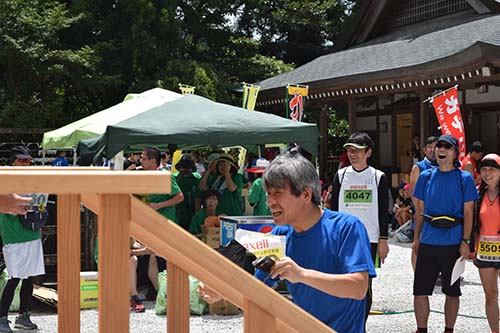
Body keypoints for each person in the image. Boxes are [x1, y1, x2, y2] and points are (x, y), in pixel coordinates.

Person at [198, 153, 376, 333]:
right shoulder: (280, 235)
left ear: (306, 194)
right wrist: (222, 291)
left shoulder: (346, 227)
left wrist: (301, 275)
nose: (270, 202)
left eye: (278, 193)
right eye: (268, 194)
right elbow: (257, 290)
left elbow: (358, 287)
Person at [412, 134, 479, 333]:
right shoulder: (426, 176)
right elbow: (420, 209)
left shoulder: (464, 178)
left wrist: (466, 241)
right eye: (438, 146)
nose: (441, 150)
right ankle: (421, 329)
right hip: (429, 240)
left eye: (446, 147)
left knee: (452, 291)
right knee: (420, 290)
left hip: (453, 241)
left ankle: (449, 330)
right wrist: (416, 238)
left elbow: (468, 212)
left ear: (455, 153)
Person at [329, 131, 389, 326]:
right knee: (342, 282)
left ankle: (360, 325)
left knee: (365, 285)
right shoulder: (340, 175)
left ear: (368, 153)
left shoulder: (378, 177)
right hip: (343, 238)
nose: (353, 154)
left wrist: (383, 240)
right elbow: (334, 210)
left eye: (357, 150)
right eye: (350, 150)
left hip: (369, 239)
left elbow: (382, 211)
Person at [0, 146, 44, 332]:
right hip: (15, 237)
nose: (26, 163)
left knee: (29, 277)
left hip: (32, 234)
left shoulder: (30, 180)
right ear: (12, 161)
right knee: (14, 278)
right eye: (22, 160)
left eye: (28, 160)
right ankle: (2, 318)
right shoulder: (5, 180)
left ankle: (23, 316)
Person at [472, 153, 500, 333]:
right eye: (484, 169)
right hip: (485, 252)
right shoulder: (476, 194)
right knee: (490, 296)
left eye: (492, 169)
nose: (488, 173)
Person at [174, 154, 202, 230]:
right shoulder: (174, 178)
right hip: (177, 212)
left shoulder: (196, 180)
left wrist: (197, 217)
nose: (185, 170)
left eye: (188, 168)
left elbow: (197, 200)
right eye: (183, 167)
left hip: (191, 213)